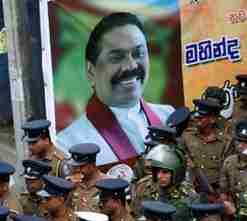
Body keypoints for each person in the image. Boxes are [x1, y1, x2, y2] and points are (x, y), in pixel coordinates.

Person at [57, 12, 174, 167]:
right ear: (91, 71)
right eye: (117, 57)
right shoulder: (68, 145)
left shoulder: (169, 117)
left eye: (138, 53)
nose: (131, 65)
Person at [132, 144, 198, 221]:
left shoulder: (189, 194)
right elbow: (136, 215)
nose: (159, 176)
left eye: (165, 172)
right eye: (157, 171)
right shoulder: (143, 186)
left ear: (177, 173)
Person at [181, 98, 227, 191]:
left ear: (212, 119)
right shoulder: (187, 136)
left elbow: (227, 172)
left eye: (201, 117)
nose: (196, 119)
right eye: (196, 116)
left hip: (216, 192)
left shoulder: (225, 142)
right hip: (191, 190)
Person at [67, 143, 110, 212]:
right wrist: (70, 189)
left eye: (81, 166)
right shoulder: (71, 182)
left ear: (92, 165)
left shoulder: (108, 184)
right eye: (75, 166)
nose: (77, 170)